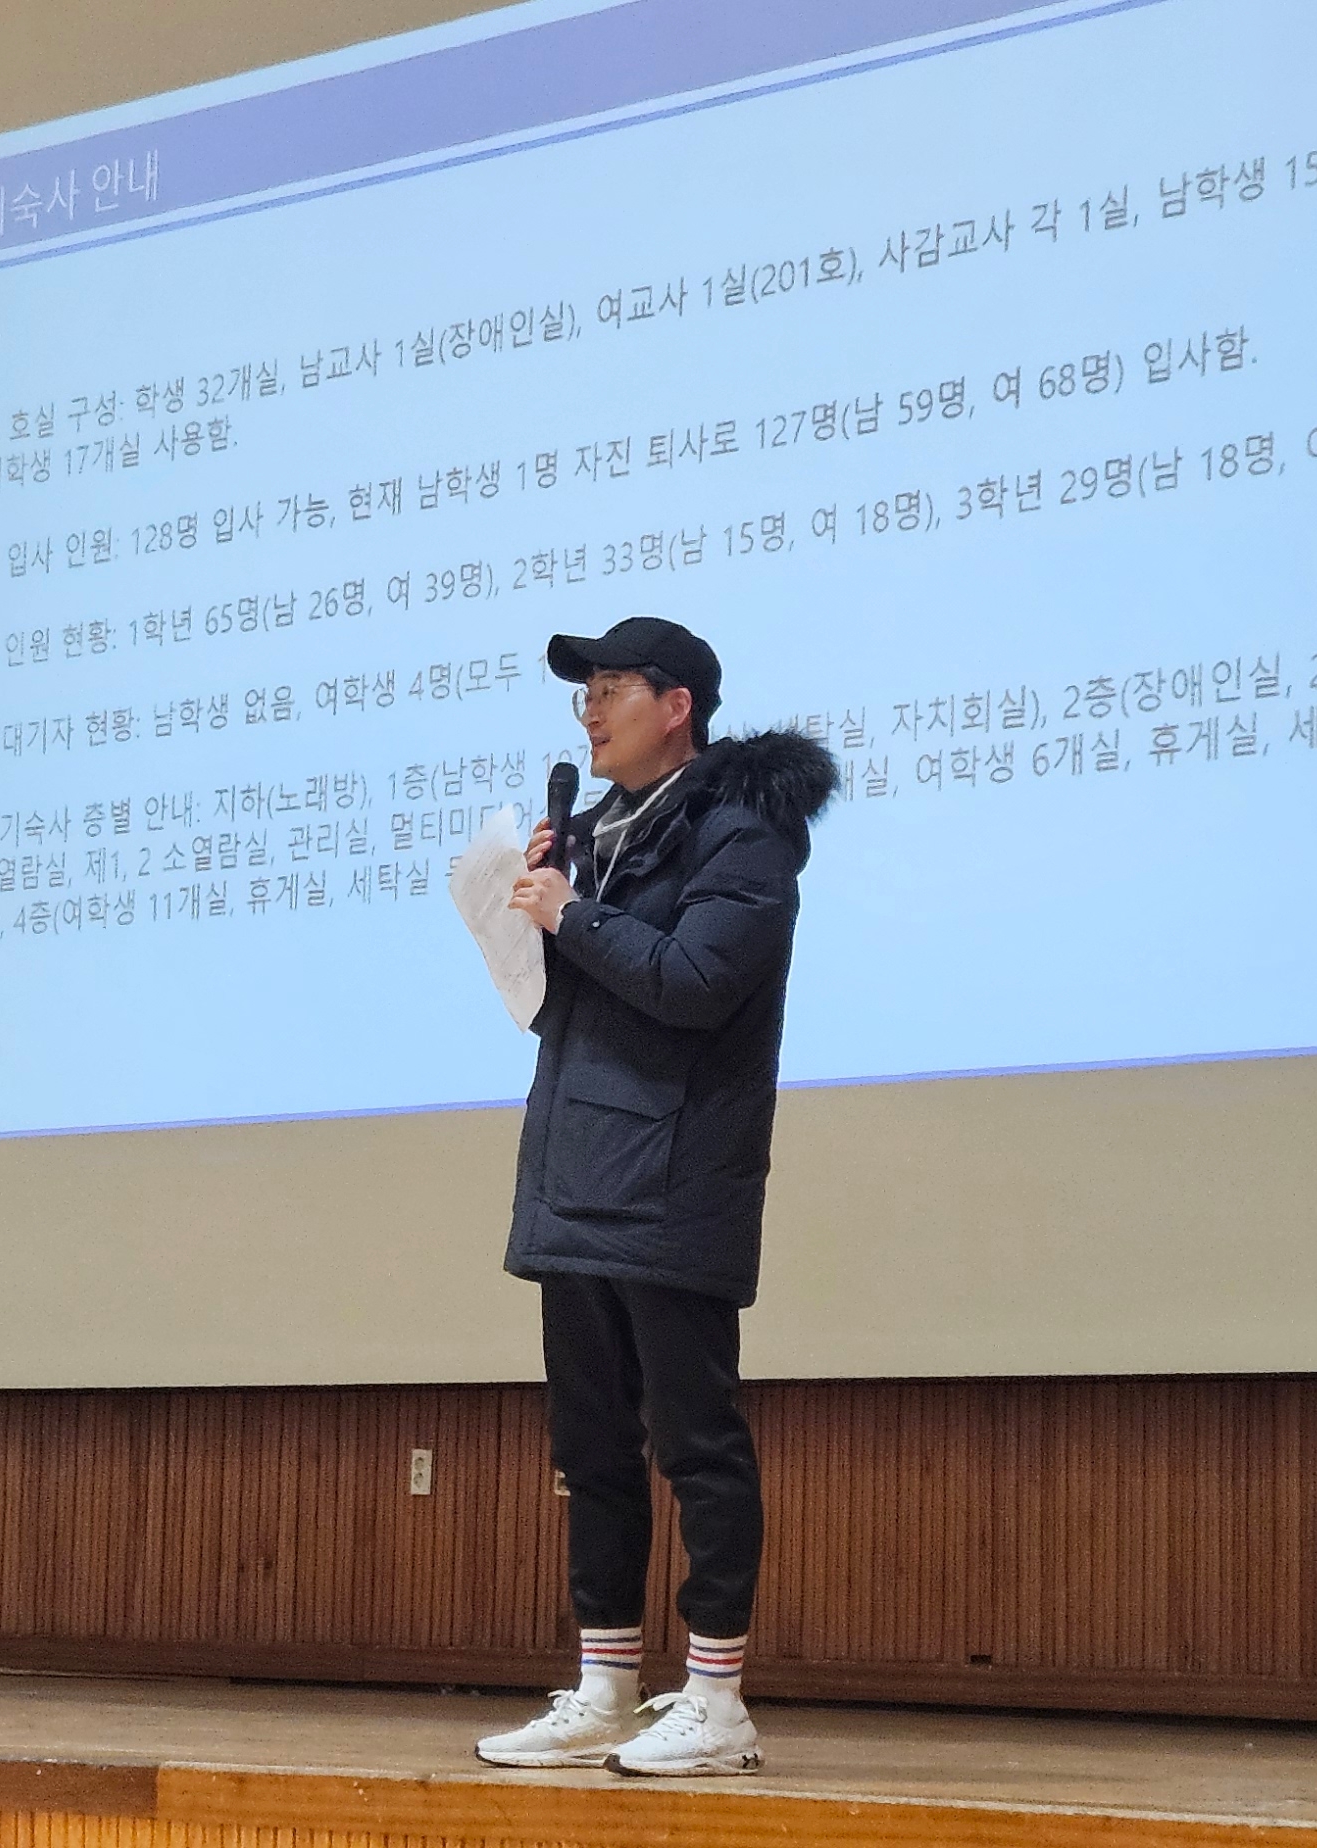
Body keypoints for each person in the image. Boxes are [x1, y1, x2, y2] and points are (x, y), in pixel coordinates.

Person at [471, 616, 837, 1778]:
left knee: (696, 1441)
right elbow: (569, 1000)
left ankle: (717, 1699)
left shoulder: (742, 832)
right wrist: (535, 906)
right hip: (578, 1168)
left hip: (675, 1178)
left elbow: (694, 981)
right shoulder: (594, 836)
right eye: (583, 691)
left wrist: (571, 914)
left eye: (612, 686)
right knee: (590, 1448)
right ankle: (605, 1688)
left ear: (677, 705)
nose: (590, 707)